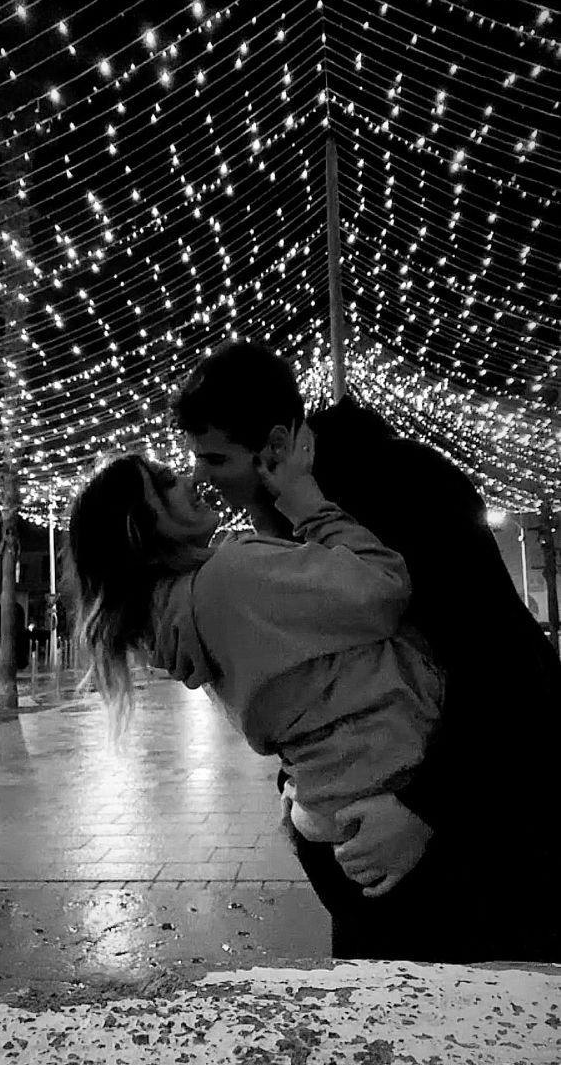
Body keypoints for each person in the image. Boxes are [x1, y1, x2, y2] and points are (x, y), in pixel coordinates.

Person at [166, 339, 561, 964]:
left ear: (273, 446)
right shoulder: (280, 521)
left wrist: (424, 811)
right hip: (379, 874)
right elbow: (323, 684)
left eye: (214, 458)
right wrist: (299, 784)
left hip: (482, 856)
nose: (200, 479)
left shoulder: (403, 487)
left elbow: (503, 665)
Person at [67, 430, 446, 900]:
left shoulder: (176, 617)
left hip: (334, 807)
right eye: (165, 485)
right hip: (393, 796)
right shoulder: (229, 577)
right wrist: (308, 503)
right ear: (142, 528)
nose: (189, 480)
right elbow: (385, 585)